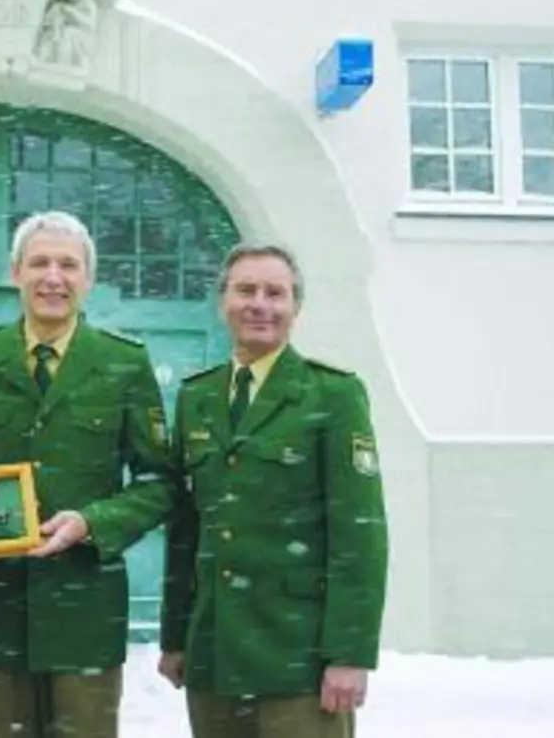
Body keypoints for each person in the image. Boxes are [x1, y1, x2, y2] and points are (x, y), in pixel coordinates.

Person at [0, 210, 176, 738]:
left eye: (68, 265)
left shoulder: (123, 364)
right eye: (39, 262)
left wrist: (93, 522)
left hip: (83, 610)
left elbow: (160, 482)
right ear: (14, 273)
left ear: (88, 279)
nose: (53, 277)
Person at [158, 243, 390, 738]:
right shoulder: (198, 397)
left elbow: (360, 534)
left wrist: (349, 654)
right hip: (214, 654)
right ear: (223, 302)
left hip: (298, 659)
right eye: (245, 290)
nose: (259, 304)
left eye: (274, 293)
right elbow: (186, 530)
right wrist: (176, 637)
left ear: (295, 308)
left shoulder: (332, 395)